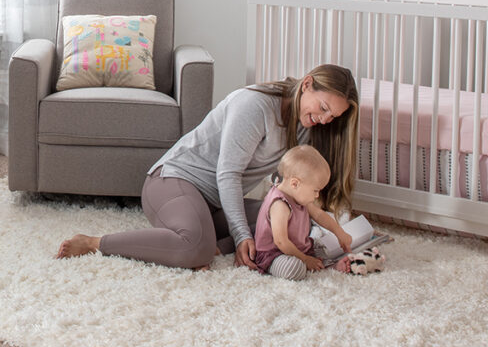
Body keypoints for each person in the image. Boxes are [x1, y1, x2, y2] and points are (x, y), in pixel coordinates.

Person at [55, 64, 359, 271]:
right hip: (173, 181)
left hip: (215, 203)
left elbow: (297, 193)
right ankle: (95, 243)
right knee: (194, 249)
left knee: (294, 221)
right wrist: (241, 235)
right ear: (307, 85)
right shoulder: (254, 105)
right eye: (322, 107)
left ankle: (211, 243)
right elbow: (228, 174)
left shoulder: (305, 127)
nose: (324, 119)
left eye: (332, 116)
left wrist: (339, 227)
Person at [253, 145, 354, 280]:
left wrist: (339, 233)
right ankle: (312, 263)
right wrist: (305, 259)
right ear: (295, 183)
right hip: (274, 254)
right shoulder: (279, 205)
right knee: (294, 269)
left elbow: (319, 215)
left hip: (299, 247)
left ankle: (329, 264)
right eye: (315, 190)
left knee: (325, 246)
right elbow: (281, 242)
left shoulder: (299, 197)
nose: (317, 195)